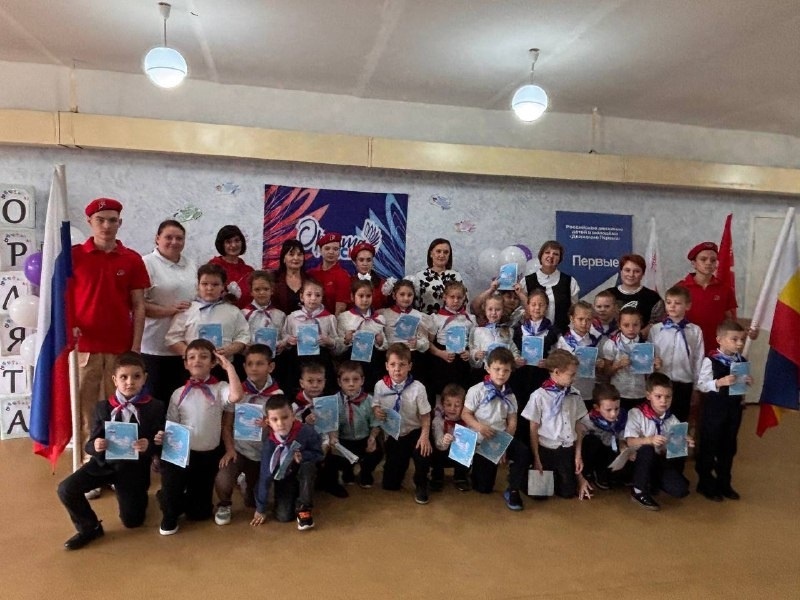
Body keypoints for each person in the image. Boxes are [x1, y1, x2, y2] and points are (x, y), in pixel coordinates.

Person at [70, 198, 150, 468]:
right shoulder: (74, 256)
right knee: (85, 408)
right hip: (84, 349)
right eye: (100, 220)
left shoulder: (132, 259)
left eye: (112, 220)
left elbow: (139, 306)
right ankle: (88, 461)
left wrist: (135, 347)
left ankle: (116, 463)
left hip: (120, 349)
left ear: (120, 223)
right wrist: (70, 326)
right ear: (89, 222)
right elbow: (62, 298)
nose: (106, 225)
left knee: (118, 407)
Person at [57, 352, 164, 550]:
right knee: (66, 489)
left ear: (145, 378)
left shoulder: (154, 407)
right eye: (124, 377)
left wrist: (149, 445)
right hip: (103, 464)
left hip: (133, 471)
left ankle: (138, 498)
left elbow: (160, 443)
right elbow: (90, 444)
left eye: (136, 376)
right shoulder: (103, 407)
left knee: (132, 521)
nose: (130, 382)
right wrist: (96, 445)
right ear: (114, 380)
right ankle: (89, 528)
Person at [156, 339, 244, 535]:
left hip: (207, 456)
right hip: (182, 455)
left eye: (204, 357)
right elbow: (172, 426)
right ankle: (169, 503)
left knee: (200, 513)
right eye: (192, 357)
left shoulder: (220, 388)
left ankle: (177, 498)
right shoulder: (178, 393)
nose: (197, 361)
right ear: (186, 364)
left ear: (213, 363)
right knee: (172, 494)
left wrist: (228, 366)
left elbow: (237, 396)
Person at [213, 344, 283, 526]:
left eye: (260, 363)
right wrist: (230, 450)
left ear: (270, 367)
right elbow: (226, 425)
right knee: (223, 478)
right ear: (244, 367)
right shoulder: (238, 392)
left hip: (263, 453)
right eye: (250, 364)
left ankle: (247, 483)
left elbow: (284, 430)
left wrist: (272, 426)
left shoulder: (277, 395)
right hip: (240, 451)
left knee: (254, 502)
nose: (254, 368)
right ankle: (224, 504)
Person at [462, 348, 531, 510]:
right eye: (497, 369)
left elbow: (512, 422)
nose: (501, 374)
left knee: (523, 451)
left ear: (511, 371)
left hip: (501, 438)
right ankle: (475, 467)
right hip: (482, 442)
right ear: (487, 368)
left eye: (506, 370)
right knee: (483, 488)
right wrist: (480, 427)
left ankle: (513, 488)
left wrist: (503, 446)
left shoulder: (510, 395)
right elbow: (465, 414)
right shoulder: (476, 390)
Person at [523, 350, 592, 500]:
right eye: (571, 375)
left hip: (566, 450)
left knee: (567, 493)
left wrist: (578, 456)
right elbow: (533, 429)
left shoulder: (575, 394)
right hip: (546, 450)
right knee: (539, 495)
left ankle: (562, 479)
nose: (575, 378)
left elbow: (578, 426)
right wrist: (536, 458)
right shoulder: (539, 396)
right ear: (556, 372)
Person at [141, 220, 197, 406]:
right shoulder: (146, 263)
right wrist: (170, 310)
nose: (174, 242)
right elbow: (137, 305)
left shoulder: (191, 265)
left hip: (184, 348)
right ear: (157, 238)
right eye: (168, 237)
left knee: (180, 404)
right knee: (155, 404)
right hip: (154, 347)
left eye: (179, 238)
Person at [695, 320, 752, 501]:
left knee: (728, 446)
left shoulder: (741, 361)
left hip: (733, 410)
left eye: (741, 340)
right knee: (709, 445)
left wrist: (747, 381)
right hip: (714, 410)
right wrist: (719, 382)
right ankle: (705, 483)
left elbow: (741, 387)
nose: (739, 343)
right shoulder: (711, 360)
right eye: (734, 339)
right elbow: (701, 385)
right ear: (720, 340)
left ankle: (724, 482)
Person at [251, 395, 324, 531]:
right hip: (284, 477)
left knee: (307, 467)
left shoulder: (306, 432)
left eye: (285, 417)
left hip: (303, 472)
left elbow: (319, 454)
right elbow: (265, 476)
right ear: (268, 422)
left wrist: (304, 456)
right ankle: (293, 495)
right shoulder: (270, 444)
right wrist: (261, 509)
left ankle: (304, 508)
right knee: (283, 516)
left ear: (293, 416)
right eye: (275, 419)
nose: (280, 423)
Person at [372, 343, 432, 504]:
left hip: (414, 432)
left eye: (402, 364)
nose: (397, 369)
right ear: (386, 366)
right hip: (394, 434)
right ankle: (399, 467)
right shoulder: (380, 386)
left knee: (423, 453)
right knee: (390, 485)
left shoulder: (418, 388)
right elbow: (375, 405)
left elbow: (426, 416)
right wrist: (376, 410)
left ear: (409, 366)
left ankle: (421, 482)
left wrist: (424, 437)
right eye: (392, 365)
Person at [625, 373, 695, 511]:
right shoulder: (636, 413)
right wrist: (649, 440)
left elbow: (677, 443)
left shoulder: (671, 418)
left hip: (659, 460)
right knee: (647, 448)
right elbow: (630, 442)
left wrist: (686, 440)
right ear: (648, 395)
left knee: (680, 490)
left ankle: (652, 481)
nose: (663, 401)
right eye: (658, 396)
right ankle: (638, 491)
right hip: (637, 461)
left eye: (668, 397)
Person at [164, 263, 250, 369]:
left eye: (215, 284)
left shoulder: (233, 311)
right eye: (204, 284)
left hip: (223, 367)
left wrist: (231, 349)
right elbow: (172, 338)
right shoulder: (187, 310)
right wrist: (191, 354)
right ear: (198, 285)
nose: (209, 288)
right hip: (193, 368)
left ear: (223, 286)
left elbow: (243, 335)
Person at [322, 361, 383, 490]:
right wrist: (333, 438)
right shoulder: (333, 401)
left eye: (355, 379)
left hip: (364, 438)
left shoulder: (370, 400)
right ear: (339, 382)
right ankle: (347, 471)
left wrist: (372, 438)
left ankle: (365, 472)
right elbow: (331, 425)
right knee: (334, 455)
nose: (351, 384)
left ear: (362, 381)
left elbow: (376, 423)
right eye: (346, 380)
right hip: (344, 440)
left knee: (377, 452)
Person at [647, 286, 704, 423]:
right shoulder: (656, 329)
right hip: (660, 383)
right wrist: (653, 363)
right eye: (668, 302)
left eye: (677, 303)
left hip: (684, 383)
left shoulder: (695, 331)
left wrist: (696, 387)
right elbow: (648, 356)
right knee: (657, 420)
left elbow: (698, 360)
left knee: (679, 421)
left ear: (687, 306)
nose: (672, 306)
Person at [280, 278, 342, 396]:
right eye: (309, 294)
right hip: (297, 360)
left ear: (322, 297)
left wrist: (329, 341)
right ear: (301, 297)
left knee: (323, 391)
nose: (313, 298)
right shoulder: (292, 317)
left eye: (317, 295)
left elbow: (338, 345)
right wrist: (288, 340)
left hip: (321, 360)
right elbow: (284, 338)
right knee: (296, 390)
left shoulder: (329, 318)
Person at [678, 242, 737, 355]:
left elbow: (730, 319)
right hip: (687, 346)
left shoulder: (725, 289)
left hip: (715, 347)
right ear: (694, 263)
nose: (708, 263)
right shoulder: (681, 287)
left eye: (713, 260)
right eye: (703, 259)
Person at [600, 307, 662, 412]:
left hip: (640, 394)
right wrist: (617, 365)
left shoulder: (647, 346)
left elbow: (650, 375)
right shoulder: (612, 344)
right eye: (626, 325)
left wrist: (656, 367)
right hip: (618, 394)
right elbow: (606, 373)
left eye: (635, 325)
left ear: (641, 324)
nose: (631, 329)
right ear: (619, 325)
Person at [427, 280, 477, 397]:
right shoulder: (436, 318)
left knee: (461, 392)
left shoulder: (470, 319)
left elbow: (474, 342)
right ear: (445, 297)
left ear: (464, 298)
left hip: (461, 362)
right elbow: (428, 342)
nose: (455, 300)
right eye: (452, 297)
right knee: (441, 391)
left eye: (459, 298)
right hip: (442, 359)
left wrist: (469, 353)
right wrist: (440, 353)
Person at [337, 279, 388, 389]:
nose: (364, 300)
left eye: (368, 296)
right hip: (351, 363)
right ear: (352, 297)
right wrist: (346, 340)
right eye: (361, 296)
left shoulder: (379, 319)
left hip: (372, 364)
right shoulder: (344, 317)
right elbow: (336, 349)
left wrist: (380, 342)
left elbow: (385, 345)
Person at [579, 383, 630, 490]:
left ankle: (611, 474)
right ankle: (591, 472)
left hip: (612, 452)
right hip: (596, 453)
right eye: (608, 410)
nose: (613, 414)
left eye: (616, 408)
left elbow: (622, 435)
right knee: (592, 440)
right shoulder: (588, 421)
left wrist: (623, 444)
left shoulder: (622, 418)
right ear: (597, 407)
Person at [380, 279, 431, 385]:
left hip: (412, 356)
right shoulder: (384, 314)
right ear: (394, 296)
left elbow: (425, 342)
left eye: (409, 295)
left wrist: (417, 343)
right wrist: (382, 342)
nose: (406, 298)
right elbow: (382, 339)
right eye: (402, 294)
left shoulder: (418, 316)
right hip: (391, 357)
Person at [555, 301, 605, 402]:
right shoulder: (563, 341)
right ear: (572, 318)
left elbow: (601, 366)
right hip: (568, 391)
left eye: (588, 320)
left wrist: (600, 364)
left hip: (589, 391)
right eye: (580, 319)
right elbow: (556, 367)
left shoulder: (595, 341)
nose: (584, 323)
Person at [524, 240, 579, 333]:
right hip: (533, 336)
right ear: (541, 256)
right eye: (547, 252)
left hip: (562, 335)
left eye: (556, 254)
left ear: (560, 259)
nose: (551, 256)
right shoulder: (526, 281)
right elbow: (522, 310)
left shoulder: (570, 282)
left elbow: (574, 311)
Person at [604, 254, 664, 337]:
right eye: (627, 270)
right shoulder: (608, 295)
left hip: (643, 342)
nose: (631, 274)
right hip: (610, 341)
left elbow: (657, 324)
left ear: (643, 274)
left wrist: (637, 337)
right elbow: (600, 320)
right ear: (621, 271)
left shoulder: (653, 298)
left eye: (636, 271)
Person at [408, 238, 465, 315]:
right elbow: (414, 303)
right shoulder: (420, 276)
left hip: (450, 320)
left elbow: (464, 302)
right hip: (426, 319)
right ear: (431, 254)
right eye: (438, 251)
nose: (442, 255)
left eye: (446, 252)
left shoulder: (456, 276)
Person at [430, 383, 471, 492]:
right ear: (443, 405)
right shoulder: (438, 421)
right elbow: (438, 444)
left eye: (457, 405)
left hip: (459, 456)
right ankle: (437, 476)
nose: (452, 409)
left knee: (467, 447)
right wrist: (444, 441)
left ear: (464, 406)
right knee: (435, 449)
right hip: (442, 451)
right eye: (448, 404)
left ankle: (461, 476)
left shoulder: (468, 422)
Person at [469, 294, 524, 371]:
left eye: (497, 309)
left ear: (503, 311)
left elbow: (513, 349)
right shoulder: (478, 331)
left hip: (503, 372)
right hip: (484, 371)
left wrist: (516, 359)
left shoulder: (508, 331)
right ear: (485, 310)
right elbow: (472, 350)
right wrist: (475, 355)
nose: (494, 313)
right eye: (490, 309)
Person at [209, 225, 254, 309]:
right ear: (222, 244)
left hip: (247, 315)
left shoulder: (249, 271)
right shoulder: (213, 267)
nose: (233, 245)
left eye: (237, 240)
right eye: (228, 242)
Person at [241, 270, 287, 351]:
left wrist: (282, 344)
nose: (262, 292)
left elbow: (284, 336)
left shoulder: (280, 315)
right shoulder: (243, 314)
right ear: (251, 292)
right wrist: (244, 346)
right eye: (257, 289)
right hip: (250, 356)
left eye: (266, 289)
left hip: (274, 356)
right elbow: (239, 336)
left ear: (272, 291)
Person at [307, 232, 351, 315]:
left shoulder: (343, 276)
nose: (331, 252)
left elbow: (340, 310)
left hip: (332, 320)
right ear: (320, 250)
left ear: (339, 252)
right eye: (327, 248)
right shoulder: (311, 274)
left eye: (335, 249)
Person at [350, 241, 391, 310]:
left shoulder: (383, 285)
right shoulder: (349, 283)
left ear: (372, 262)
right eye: (361, 260)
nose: (365, 264)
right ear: (355, 262)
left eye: (369, 260)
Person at [271, 239, 309, 314]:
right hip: (279, 320)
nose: (296, 258)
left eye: (299, 254)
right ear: (284, 258)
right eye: (291, 254)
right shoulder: (273, 279)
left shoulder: (310, 280)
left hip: (306, 321)